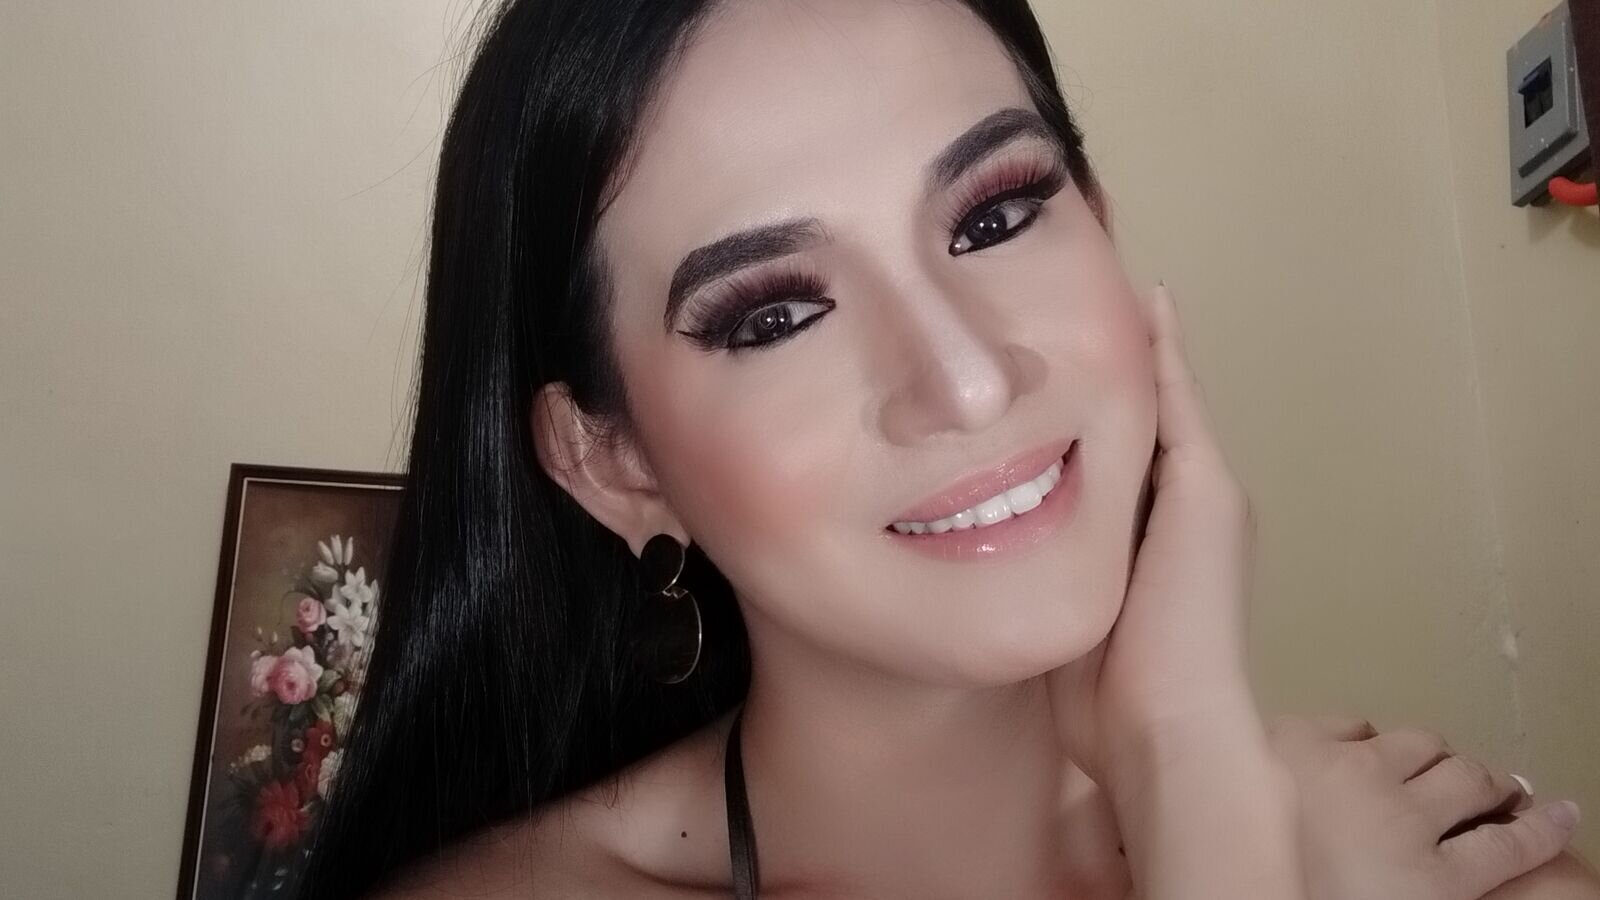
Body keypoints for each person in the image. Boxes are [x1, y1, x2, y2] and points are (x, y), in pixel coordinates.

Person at [296, 1, 1598, 897]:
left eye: (997, 215)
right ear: (610, 460)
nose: (970, 382)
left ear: (1100, 222)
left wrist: (1198, 764)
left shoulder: (1436, 853)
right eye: (775, 316)